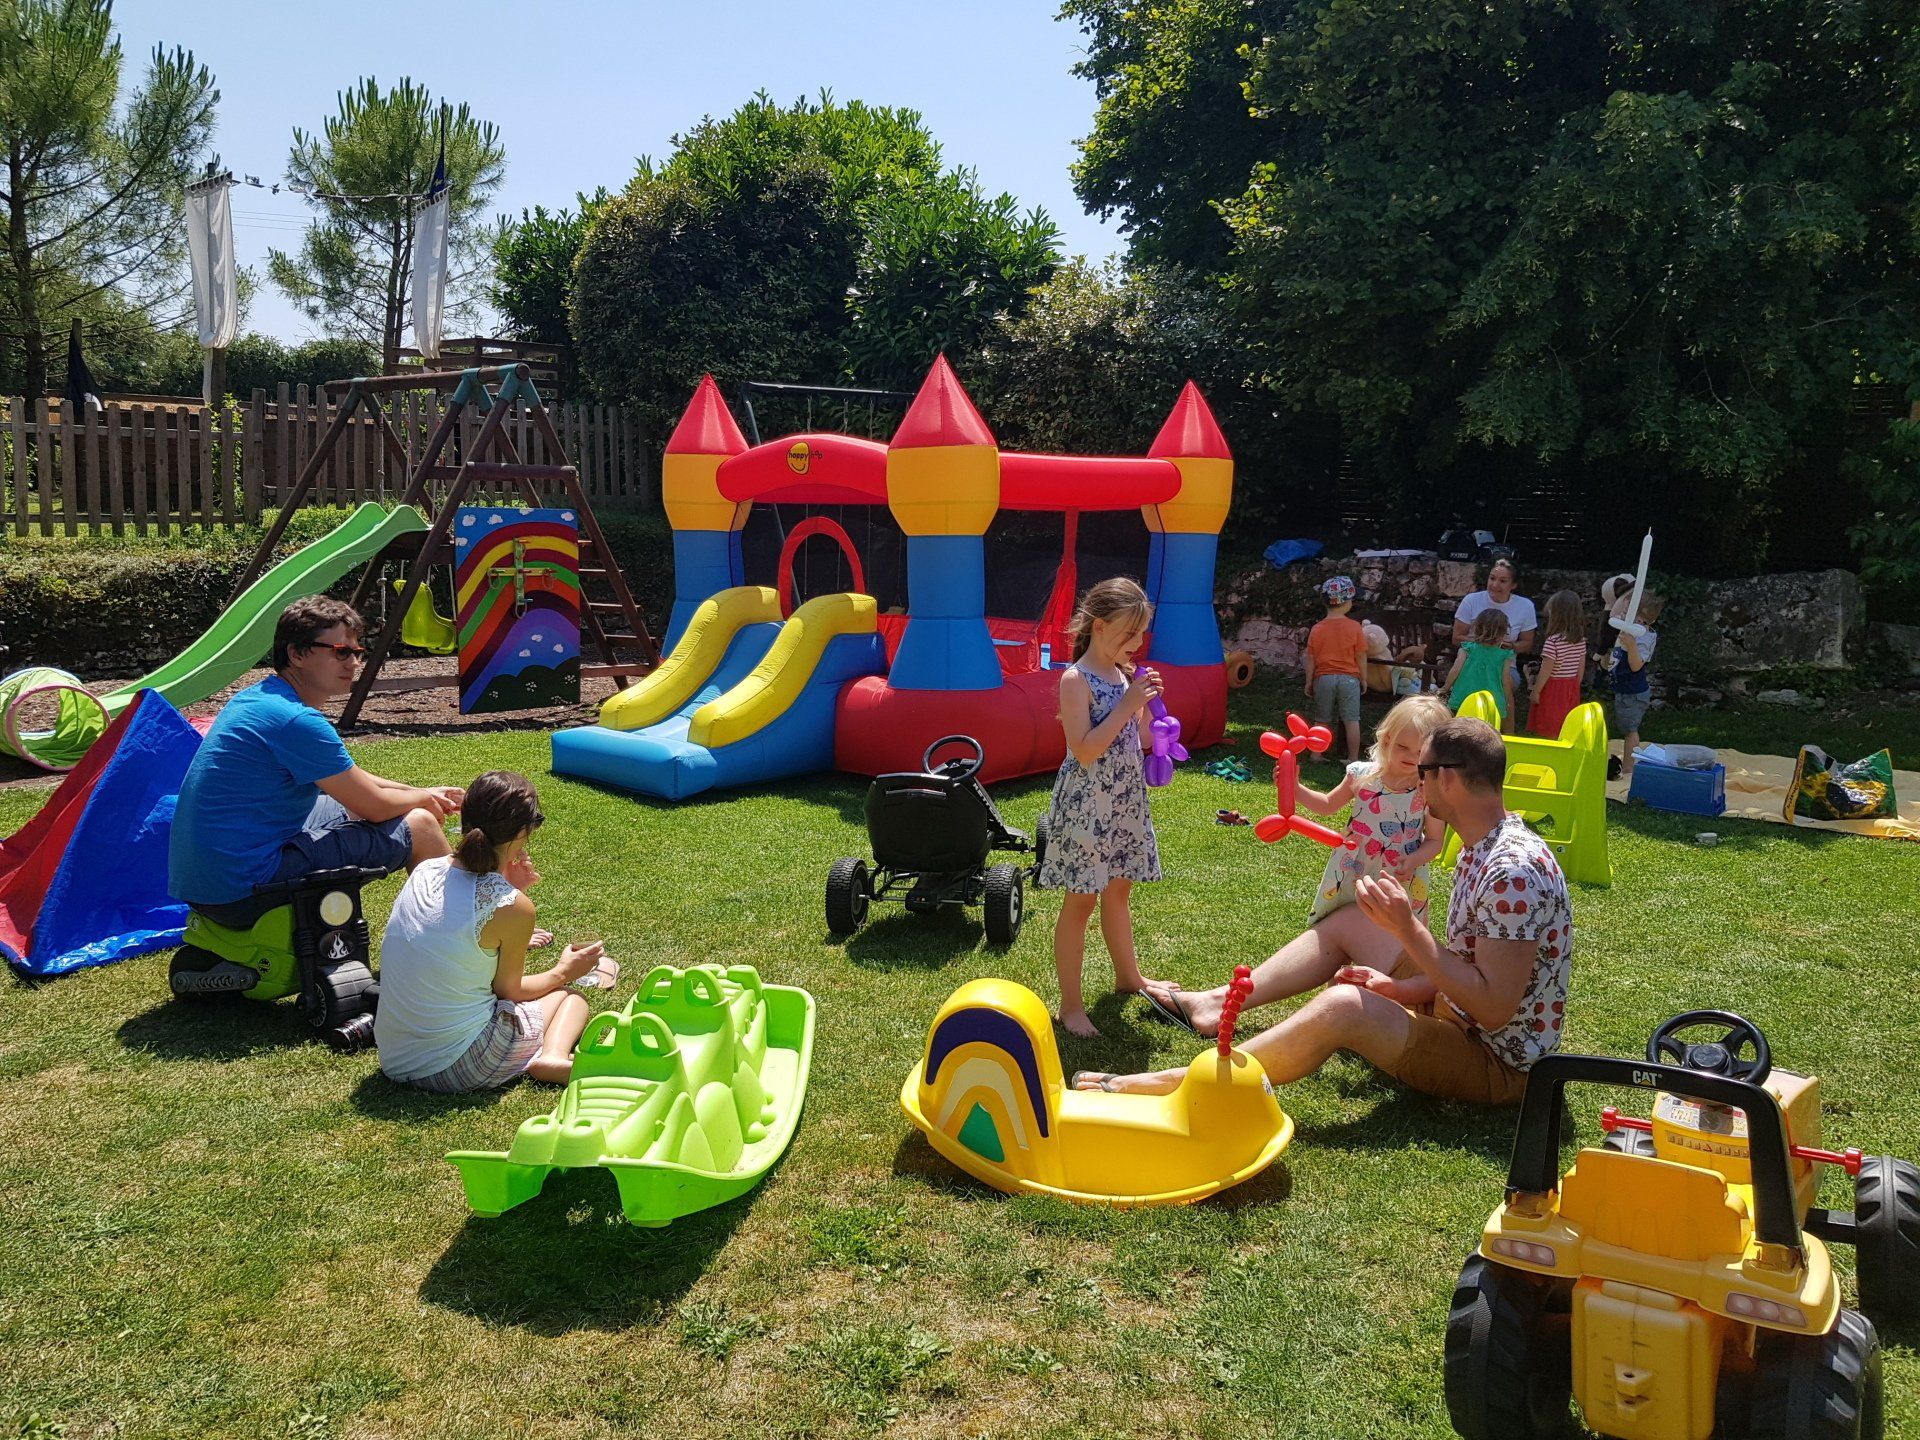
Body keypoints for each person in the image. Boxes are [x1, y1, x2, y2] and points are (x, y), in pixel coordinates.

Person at [1094, 717, 1572, 1107]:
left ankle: (1187, 1083)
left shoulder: (1512, 873)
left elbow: (1493, 1008)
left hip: (1493, 1061)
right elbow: (1470, 968)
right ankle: (1213, 1005)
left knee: (1344, 1006)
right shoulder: (1482, 846)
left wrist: (1407, 928)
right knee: (1352, 920)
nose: (1416, 782)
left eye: (1422, 772)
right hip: (1457, 1012)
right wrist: (1399, 987)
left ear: (1446, 777)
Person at [169, 597, 463, 927]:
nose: (353, 662)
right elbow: (376, 807)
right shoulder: (296, 721)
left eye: (357, 652)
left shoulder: (258, 698)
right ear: (296, 654)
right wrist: (424, 799)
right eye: (340, 651)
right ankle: (463, 936)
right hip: (242, 893)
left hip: (207, 884)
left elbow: (350, 780)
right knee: (420, 824)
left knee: (359, 804)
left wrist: (420, 791)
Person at [376, 771, 613, 1092]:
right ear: (523, 831)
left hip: (396, 1058)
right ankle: (553, 1057)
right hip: (457, 1065)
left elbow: (457, 925)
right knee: (570, 999)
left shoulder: (426, 869)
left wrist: (507, 883)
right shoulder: (511, 906)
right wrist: (564, 972)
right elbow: (509, 992)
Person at [1037, 577, 1171, 1038]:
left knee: (1119, 890)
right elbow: (1086, 748)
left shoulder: (1123, 675)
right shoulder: (1076, 680)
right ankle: (1070, 1007)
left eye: (1140, 635)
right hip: (1087, 804)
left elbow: (1138, 739)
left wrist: (1155, 720)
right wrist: (1130, 702)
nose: (1136, 644)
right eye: (1128, 634)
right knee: (1081, 901)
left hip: (1124, 799)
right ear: (1098, 626)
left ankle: (1128, 977)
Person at [1295, 694, 1449, 925]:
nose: (1410, 756)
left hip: (1399, 872)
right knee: (1343, 919)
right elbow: (1327, 805)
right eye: (1403, 747)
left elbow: (1436, 841)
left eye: (1420, 753)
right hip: (1353, 863)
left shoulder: (1427, 789)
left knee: (1393, 930)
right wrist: (1294, 788)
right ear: (1387, 739)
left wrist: (1413, 860)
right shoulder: (1362, 775)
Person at [1603, 577, 1664, 783]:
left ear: (1646, 620)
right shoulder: (1627, 629)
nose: (1624, 616)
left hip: (1634, 691)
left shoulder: (1645, 637)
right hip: (1623, 688)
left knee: (1631, 730)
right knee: (1624, 726)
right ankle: (1628, 761)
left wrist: (1631, 645)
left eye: (1630, 614)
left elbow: (1637, 665)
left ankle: (1629, 767)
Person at [1304, 575, 1368, 763]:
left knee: (1321, 720)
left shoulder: (1317, 628)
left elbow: (1311, 658)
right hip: (1349, 679)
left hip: (1323, 679)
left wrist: (1309, 681)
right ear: (1346, 602)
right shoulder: (1355, 627)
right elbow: (1361, 655)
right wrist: (1363, 678)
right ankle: (1353, 758)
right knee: (1351, 720)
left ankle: (1316, 754)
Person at [1527, 589, 1588, 739]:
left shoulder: (1552, 642)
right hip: (1570, 687)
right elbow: (1580, 671)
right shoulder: (1580, 640)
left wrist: (1536, 691)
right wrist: (1573, 687)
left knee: (1548, 726)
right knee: (1565, 726)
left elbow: (1546, 670)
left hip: (1553, 689)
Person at [1450, 558, 1537, 654]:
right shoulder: (1470, 600)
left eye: (1503, 581)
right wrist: (1486, 644)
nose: (1495, 585)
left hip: (1504, 664)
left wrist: (1509, 646)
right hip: (1471, 660)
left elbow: (1527, 643)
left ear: (1513, 585)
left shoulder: (1526, 606)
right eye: (1492, 578)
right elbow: (1457, 638)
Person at [1447, 609, 1515, 727]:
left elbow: (1455, 670)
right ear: (1503, 633)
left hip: (1464, 696)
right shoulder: (1505, 655)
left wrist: (1445, 688)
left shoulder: (1467, 648)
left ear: (1477, 629)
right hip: (1492, 701)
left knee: (1459, 729)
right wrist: (1508, 699)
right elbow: (1506, 681)